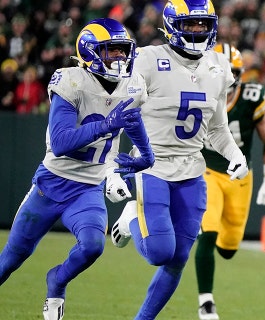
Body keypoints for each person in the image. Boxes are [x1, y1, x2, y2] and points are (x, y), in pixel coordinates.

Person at [0, 17, 154, 320]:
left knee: (94, 246)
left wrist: (146, 155)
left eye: (123, 51)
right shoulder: (71, 80)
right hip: (51, 184)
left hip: (89, 187)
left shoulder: (132, 85)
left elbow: (132, 120)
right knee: (10, 260)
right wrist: (106, 125)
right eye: (111, 51)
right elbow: (60, 142)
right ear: (91, 52)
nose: (120, 58)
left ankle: (57, 279)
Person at [107, 1, 249, 319]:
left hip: (192, 168)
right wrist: (111, 169)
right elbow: (117, 114)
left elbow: (217, 128)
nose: (198, 31)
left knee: (178, 258)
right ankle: (132, 217)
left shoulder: (218, 66)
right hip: (151, 164)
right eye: (191, 25)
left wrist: (235, 154)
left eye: (203, 24)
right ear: (172, 25)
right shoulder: (147, 59)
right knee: (160, 252)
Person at [194, 42, 265, 320]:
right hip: (205, 171)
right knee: (208, 232)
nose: (226, 78)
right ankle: (206, 301)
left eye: (232, 72)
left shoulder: (252, 95)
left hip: (240, 176)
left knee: (228, 249)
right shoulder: (192, 90)